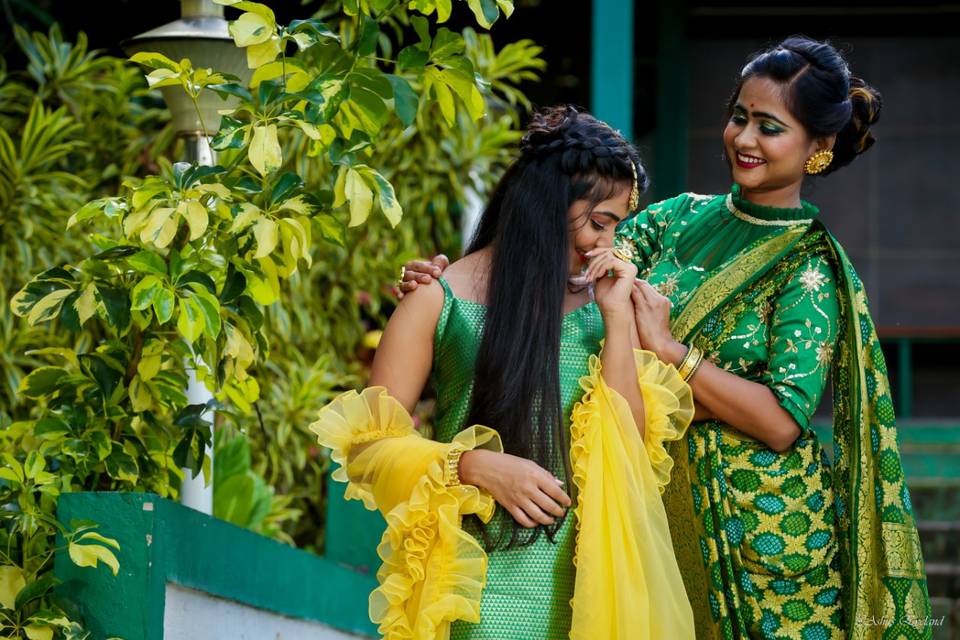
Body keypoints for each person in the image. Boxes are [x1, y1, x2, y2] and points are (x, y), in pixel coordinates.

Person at [400, 37, 932, 639]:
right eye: (739, 117)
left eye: (771, 127)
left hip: (757, 522)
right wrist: (450, 289)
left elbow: (783, 420)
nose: (745, 140)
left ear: (818, 148)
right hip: (641, 494)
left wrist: (672, 350)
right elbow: (561, 271)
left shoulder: (809, 270)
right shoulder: (671, 220)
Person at [312, 105, 696, 639]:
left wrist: (614, 318)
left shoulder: (608, 308)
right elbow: (368, 448)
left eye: (614, 227)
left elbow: (631, 446)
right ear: (549, 205)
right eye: (599, 221)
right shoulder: (437, 298)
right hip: (475, 584)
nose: (605, 242)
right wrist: (471, 466)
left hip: (591, 586)